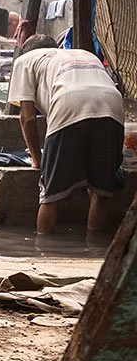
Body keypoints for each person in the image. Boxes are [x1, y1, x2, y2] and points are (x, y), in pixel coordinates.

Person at [9, 35, 129, 235]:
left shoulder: (25, 61)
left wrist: (38, 161)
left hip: (69, 104)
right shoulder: (83, 54)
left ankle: (43, 249)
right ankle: (94, 248)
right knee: (101, 192)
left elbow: (27, 118)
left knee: (50, 195)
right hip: (112, 106)